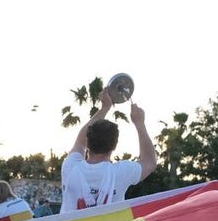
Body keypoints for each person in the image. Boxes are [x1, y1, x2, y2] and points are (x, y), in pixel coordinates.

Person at [60, 86, 157, 214]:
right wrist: (140, 124)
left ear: (88, 142)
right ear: (114, 146)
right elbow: (150, 161)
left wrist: (105, 108)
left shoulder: (70, 167)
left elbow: (80, 141)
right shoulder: (121, 173)